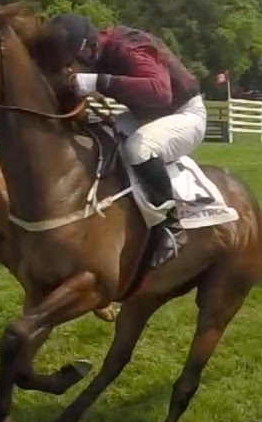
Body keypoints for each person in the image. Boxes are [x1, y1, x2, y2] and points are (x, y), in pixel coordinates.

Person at [48, 13, 206, 267]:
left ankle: (170, 227)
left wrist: (98, 81)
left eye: (71, 63)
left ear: (87, 50)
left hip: (184, 115)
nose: (70, 70)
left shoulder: (127, 47)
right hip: (145, 116)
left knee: (139, 149)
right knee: (99, 137)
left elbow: (160, 93)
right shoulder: (99, 50)